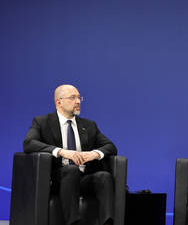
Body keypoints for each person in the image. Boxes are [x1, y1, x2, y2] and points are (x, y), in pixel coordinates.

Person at [23, 84, 117, 225]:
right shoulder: (42, 122)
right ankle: (74, 222)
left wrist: (94, 154)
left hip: (83, 178)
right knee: (71, 170)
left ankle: (108, 223)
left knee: (104, 176)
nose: (78, 101)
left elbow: (111, 146)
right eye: (73, 98)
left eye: (79, 98)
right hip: (58, 179)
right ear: (59, 102)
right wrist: (61, 152)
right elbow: (29, 143)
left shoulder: (89, 125)